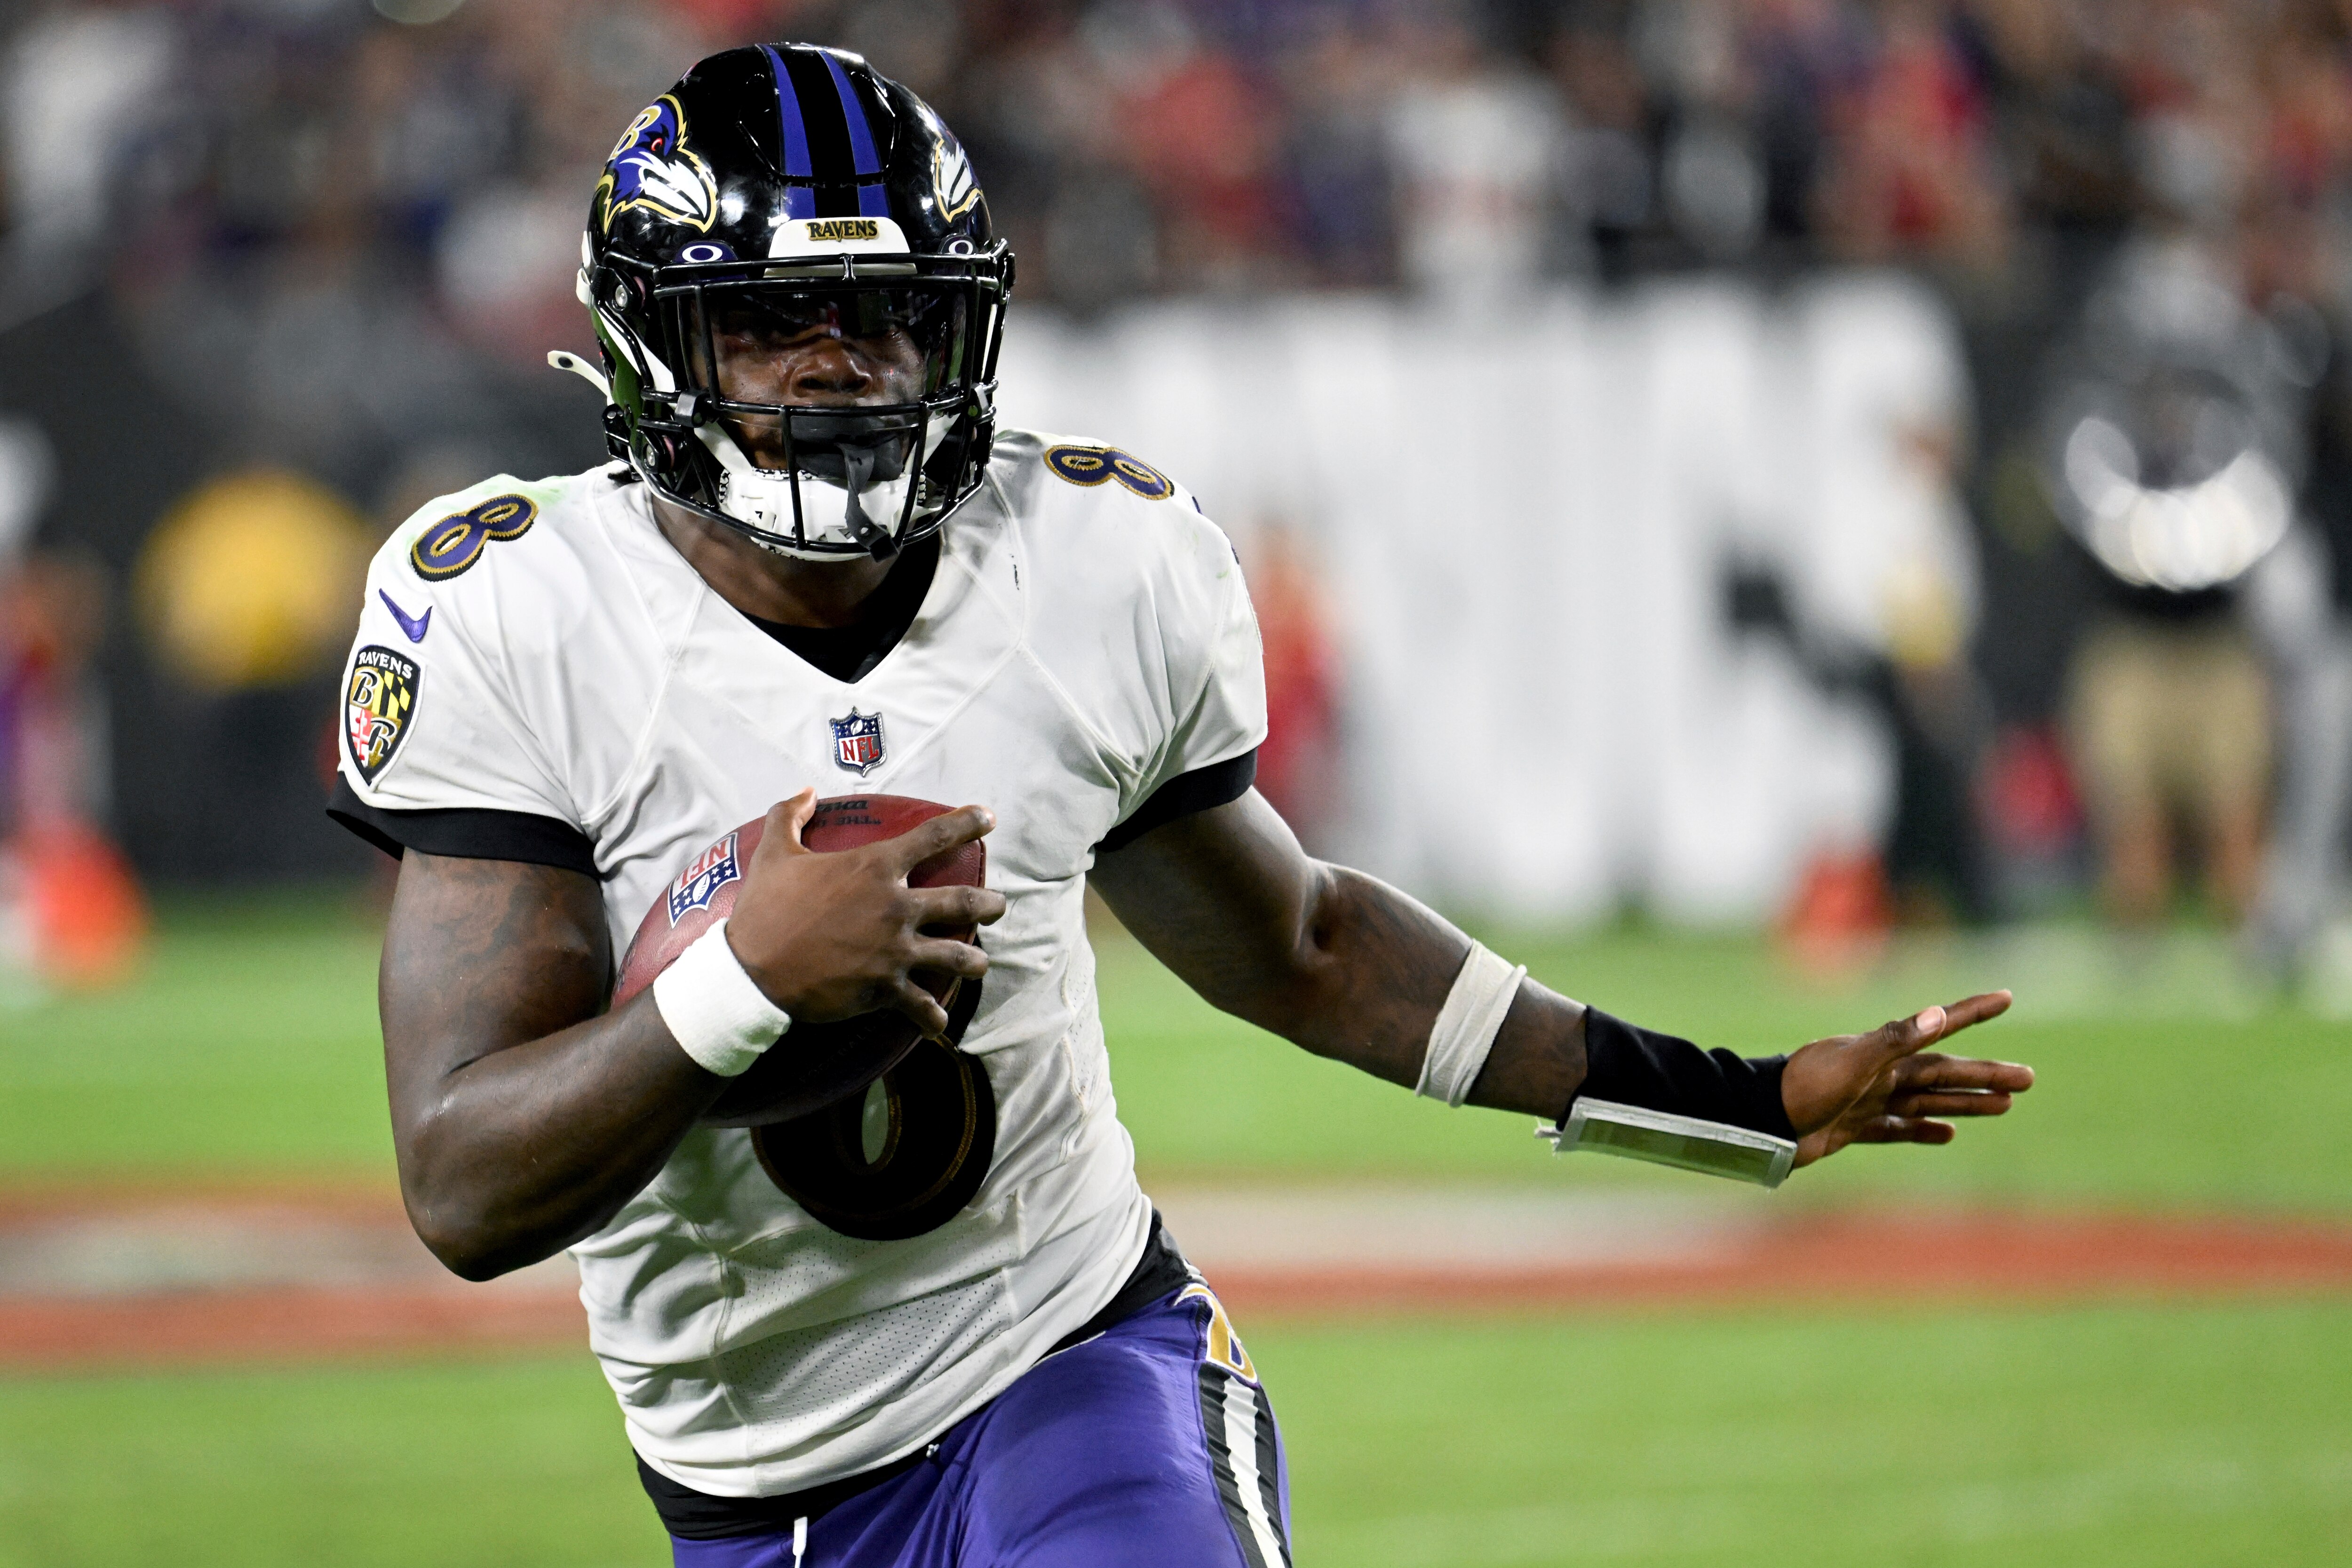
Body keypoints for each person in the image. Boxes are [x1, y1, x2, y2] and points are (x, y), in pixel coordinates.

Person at [329, 45, 2029, 1568]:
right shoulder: (516, 606)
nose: (842, 370)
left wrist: (1730, 1103)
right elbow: (467, 1187)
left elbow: (1300, 942)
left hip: (1063, 1364)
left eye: (890, 316)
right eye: (776, 322)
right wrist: (745, 979)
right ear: (653, 342)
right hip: (736, 1488)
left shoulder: (1089, 562)